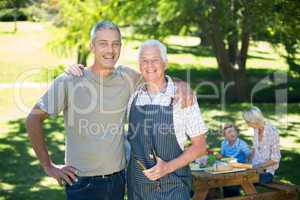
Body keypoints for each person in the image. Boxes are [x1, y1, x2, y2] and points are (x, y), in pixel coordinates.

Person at [26, 20, 193, 200]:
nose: (110, 50)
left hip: (118, 180)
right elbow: (33, 119)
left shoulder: (127, 77)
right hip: (82, 183)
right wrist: (48, 166)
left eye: (115, 44)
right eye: (103, 44)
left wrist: (181, 84)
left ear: (120, 47)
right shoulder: (70, 81)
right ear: (92, 47)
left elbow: (157, 78)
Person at [126, 40, 207, 200]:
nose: (149, 65)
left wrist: (167, 168)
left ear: (165, 63)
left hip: (173, 189)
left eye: (155, 59)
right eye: (144, 60)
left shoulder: (183, 97)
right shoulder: (133, 98)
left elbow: (200, 146)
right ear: (139, 65)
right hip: (138, 190)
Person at [243, 106, 281, 184]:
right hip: (253, 168)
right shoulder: (256, 129)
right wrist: (248, 162)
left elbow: (276, 159)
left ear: (254, 121)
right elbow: (255, 149)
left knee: (241, 181)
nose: (247, 124)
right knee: (233, 180)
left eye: (248, 122)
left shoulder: (272, 132)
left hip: (266, 172)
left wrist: (258, 167)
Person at [217, 124, 251, 197]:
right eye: (229, 132)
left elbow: (249, 155)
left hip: (239, 168)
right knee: (222, 182)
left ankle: (234, 196)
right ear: (225, 136)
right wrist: (220, 156)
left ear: (237, 133)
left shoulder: (242, 144)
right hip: (228, 168)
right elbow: (222, 155)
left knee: (232, 185)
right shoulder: (224, 143)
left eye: (234, 131)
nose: (233, 133)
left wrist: (248, 163)